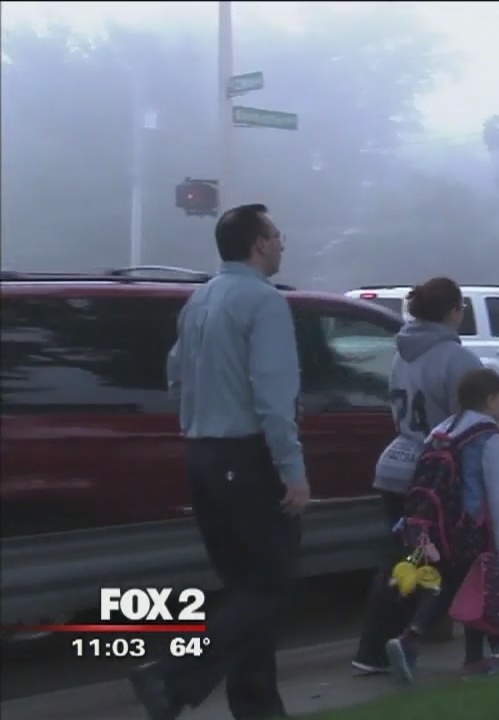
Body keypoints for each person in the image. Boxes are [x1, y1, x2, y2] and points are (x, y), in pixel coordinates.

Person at [130, 204, 309, 720]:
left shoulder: (200, 299)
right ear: (259, 244)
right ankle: (170, 676)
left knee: (244, 589)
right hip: (246, 455)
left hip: (202, 454)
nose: (282, 244)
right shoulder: (264, 301)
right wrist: (292, 470)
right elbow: (273, 395)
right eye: (276, 235)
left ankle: (256, 707)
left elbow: (176, 376)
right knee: (271, 584)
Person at [352, 277, 489, 674]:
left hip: (396, 465)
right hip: (434, 477)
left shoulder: (402, 355)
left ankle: (374, 648)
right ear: (453, 311)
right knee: (450, 561)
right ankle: (404, 642)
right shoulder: (457, 359)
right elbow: (470, 429)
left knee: (404, 561)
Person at [384, 368, 499, 682]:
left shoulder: (443, 429)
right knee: (477, 588)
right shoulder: (490, 436)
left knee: (449, 586)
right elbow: (495, 498)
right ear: (490, 399)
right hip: (471, 527)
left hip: (435, 526)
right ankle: (473, 660)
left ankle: (409, 640)